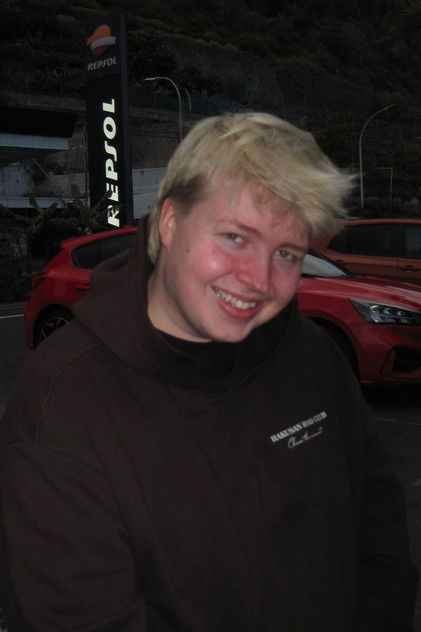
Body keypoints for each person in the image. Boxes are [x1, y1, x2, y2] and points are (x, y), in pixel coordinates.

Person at [0, 112, 418, 631]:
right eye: (236, 238)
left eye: (287, 253)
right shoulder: (63, 407)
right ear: (170, 223)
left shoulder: (311, 353)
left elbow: (379, 523)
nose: (259, 280)